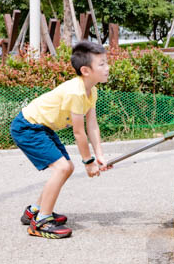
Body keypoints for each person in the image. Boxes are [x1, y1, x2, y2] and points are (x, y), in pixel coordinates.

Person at [9, 41, 112, 239]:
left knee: (67, 167)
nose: (107, 68)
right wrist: (88, 163)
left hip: (41, 127)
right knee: (62, 168)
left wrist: (99, 156)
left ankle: (35, 211)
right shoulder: (76, 92)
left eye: (106, 62)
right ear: (85, 70)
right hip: (27, 127)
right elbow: (79, 133)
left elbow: (92, 126)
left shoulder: (92, 90)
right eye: (102, 64)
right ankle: (41, 222)